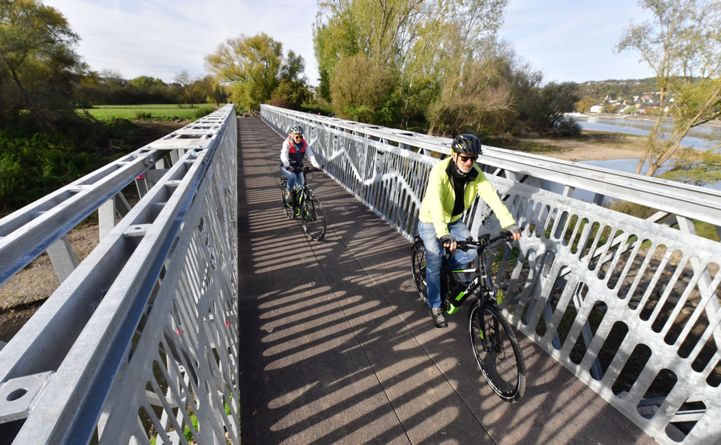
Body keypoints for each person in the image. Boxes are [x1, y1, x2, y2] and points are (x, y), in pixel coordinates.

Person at [418, 133, 521, 328]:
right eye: (464, 158)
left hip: (455, 220)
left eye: (473, 158)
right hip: (432, 221)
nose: (469, 162)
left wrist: (509, 223)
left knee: (472, 251)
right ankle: (435, 305)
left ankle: (443, 270)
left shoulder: (475, 173)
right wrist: (443, 234)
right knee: (434, 260)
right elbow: (436, 204)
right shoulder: (439, 171)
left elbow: (492, 197)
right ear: (454, 155)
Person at [280, 125, 321, 216]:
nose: (299, 139)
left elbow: (310, 155)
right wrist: (287, 165)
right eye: (297, 136)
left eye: (301, 136)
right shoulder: (287, 143)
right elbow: (284, 155)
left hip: (298, 166)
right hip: (287, 166)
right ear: (291, 135)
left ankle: (299, 206)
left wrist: (316, 165)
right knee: (292, 176)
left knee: (301, 185)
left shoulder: (304, 144)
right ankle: (288, 193)